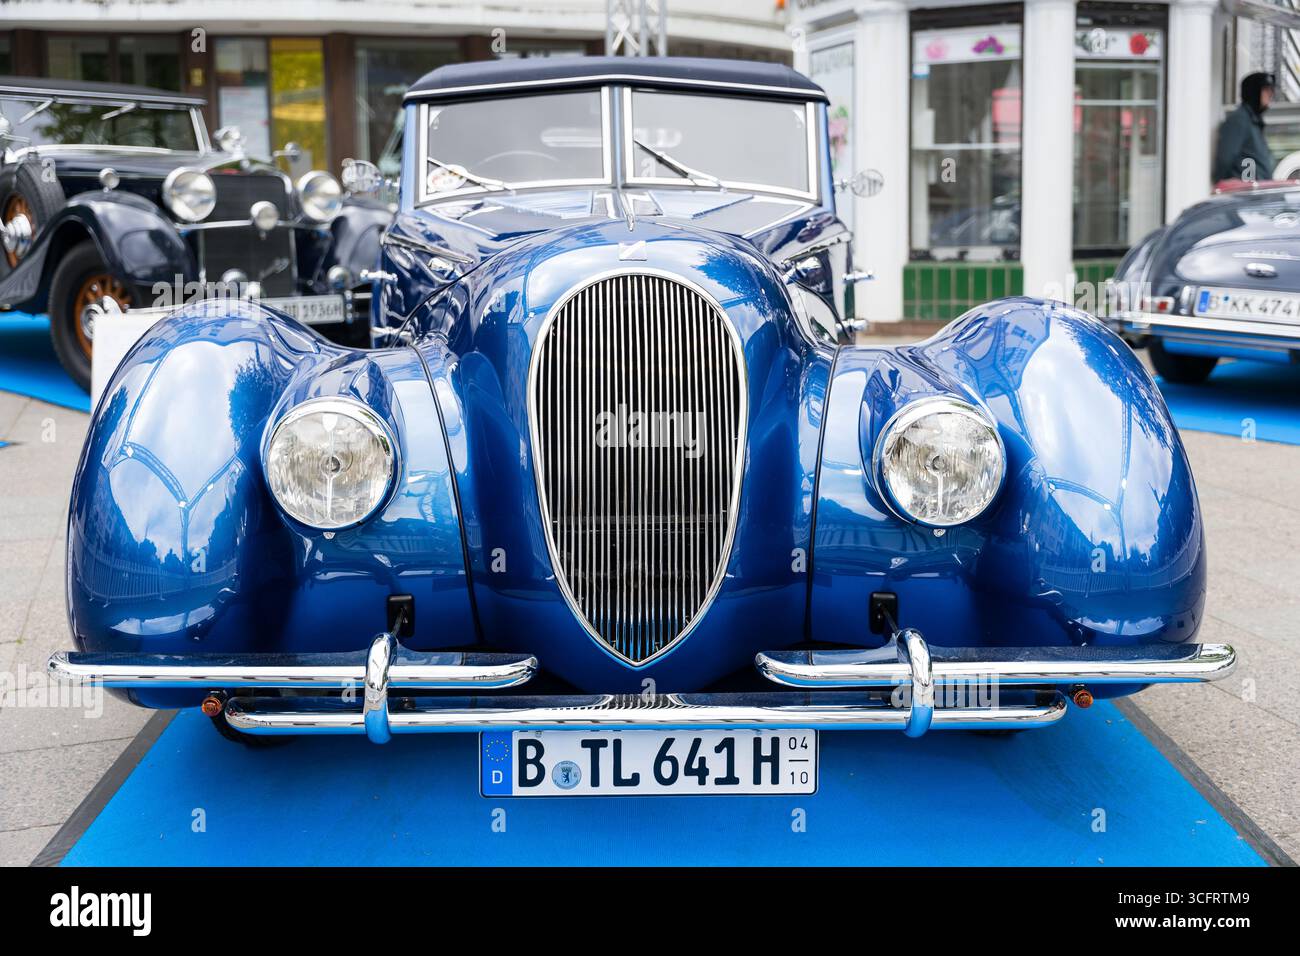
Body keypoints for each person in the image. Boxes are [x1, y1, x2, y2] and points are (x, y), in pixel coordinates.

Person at [1214, 72, 1277, 183]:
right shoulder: (1239, 120)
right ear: (1254, 91)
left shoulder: (1253, 121)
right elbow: (1224, 160)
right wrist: (1220, 183)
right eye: (1266, 90)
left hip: (1257, 192)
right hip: (1245, 192)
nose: (1270, 94)